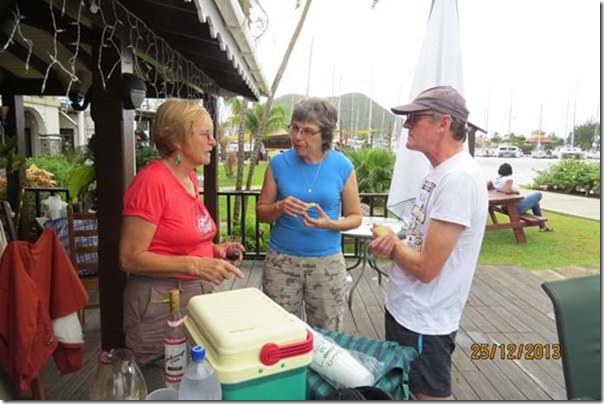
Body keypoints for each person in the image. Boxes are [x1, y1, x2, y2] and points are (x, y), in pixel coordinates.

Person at [369, 86, 488, 400]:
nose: (406, 125)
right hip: (407, 310)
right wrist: (394, 242)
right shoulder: (439, 173)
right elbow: (420, 242)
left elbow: (426, 268)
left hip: (425, 319)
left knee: (429, 396)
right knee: (408, 391)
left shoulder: (459, 179)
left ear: (443, 123)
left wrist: (392, 245)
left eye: (414, 118)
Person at [119, 99, 244, 366]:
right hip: (160, 302)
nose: (213, 141)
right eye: (205, 134)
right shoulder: (151, 182)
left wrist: (214, 250)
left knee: (195, 374)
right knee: (162, 378)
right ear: (177, 141)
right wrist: (196, 264)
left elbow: (175, 238)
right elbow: (129, 257)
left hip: (194, 295)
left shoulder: (189, 179)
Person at [256, 97, 362, 332]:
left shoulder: (342, 166)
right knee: (279, 331)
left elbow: (355, 216)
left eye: (307, 131)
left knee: (327, 333)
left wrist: (330, 224)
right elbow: (262, 212)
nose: (297, 137)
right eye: (294, 127)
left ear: (324, 134)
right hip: (282, 262)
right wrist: (279, 206)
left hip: (327, 263)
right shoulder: (278, 164)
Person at [489, 162, 553, 231]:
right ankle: (543, 226)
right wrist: (516, 192)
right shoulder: (508, 179)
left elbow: (493, 187)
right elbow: (508, 190)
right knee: (538, 194)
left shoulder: (497, 180)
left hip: (506, 207)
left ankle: (543, 226)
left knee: (535, 204)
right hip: (515, 208)